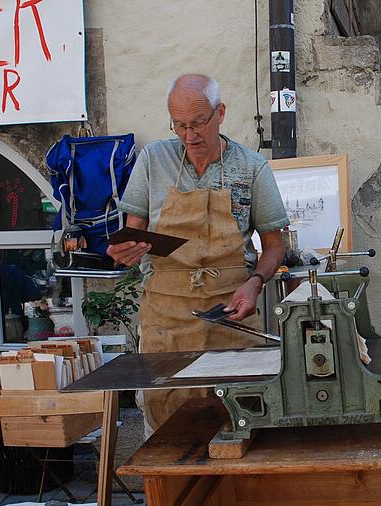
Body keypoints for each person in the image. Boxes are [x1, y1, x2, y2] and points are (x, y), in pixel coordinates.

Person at [107, 74, 289, 431]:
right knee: (167, 426)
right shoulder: (153, 160)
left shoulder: (251, 168)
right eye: (179, 125)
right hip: (167, 319)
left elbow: (275, 245)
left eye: (198, 123)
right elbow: (133, 231)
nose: (189, 136)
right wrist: (128, 249)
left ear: (220, 113)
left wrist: (255, 283)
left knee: (237, 420)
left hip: (231, 315)